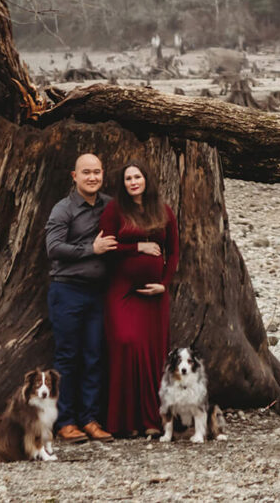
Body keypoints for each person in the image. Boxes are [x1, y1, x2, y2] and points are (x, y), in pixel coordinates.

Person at [100, 160, 180, 437]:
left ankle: (150, 421)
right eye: (128, 179)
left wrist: (164, 285)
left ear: (146, 179)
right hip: (121, 290)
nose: (133, 182)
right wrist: (138, 246)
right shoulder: (115, 210)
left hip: (154, 296)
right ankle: (123, 422)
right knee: (125, 343)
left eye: (137, 177)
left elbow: (175, 253)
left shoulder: (164, 210)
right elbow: (107, 247)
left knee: (151, 356)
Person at [44, 153, 118, 444]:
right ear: (74, 176)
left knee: (94, 356)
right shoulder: (63, 209)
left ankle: (89, 418)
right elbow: (53, 247)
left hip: (99, 293)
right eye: (86, 172)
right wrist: (92, 248)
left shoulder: (110, 205)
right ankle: (65, 422)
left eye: (97, 172)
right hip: (67, 291)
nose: (92, 177)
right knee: (67, 357)